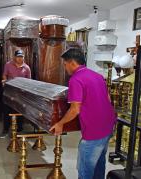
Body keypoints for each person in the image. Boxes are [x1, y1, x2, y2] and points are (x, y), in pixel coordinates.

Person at [50, 48, 117, 179]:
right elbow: (108, 99)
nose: (65, 68)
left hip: (94, 131)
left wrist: (60, 123)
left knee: (85, 170)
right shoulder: (97, 75)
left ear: (72, 63)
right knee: (99, 163)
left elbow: (75, 109)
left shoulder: (76, 79)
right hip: (108, 126)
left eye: (65, 64)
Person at [0, 50, 31, 139]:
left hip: (21, 94)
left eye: (21, 57)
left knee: (20, 111)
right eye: (18, 57)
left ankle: (20, 130)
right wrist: (5, 81)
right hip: (9, 93)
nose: (20, 59)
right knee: (7, 112)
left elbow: (29, 81)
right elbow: (4, 75)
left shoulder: (27, 68)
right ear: (14, 57)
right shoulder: (8, 65)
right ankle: (5, 130)